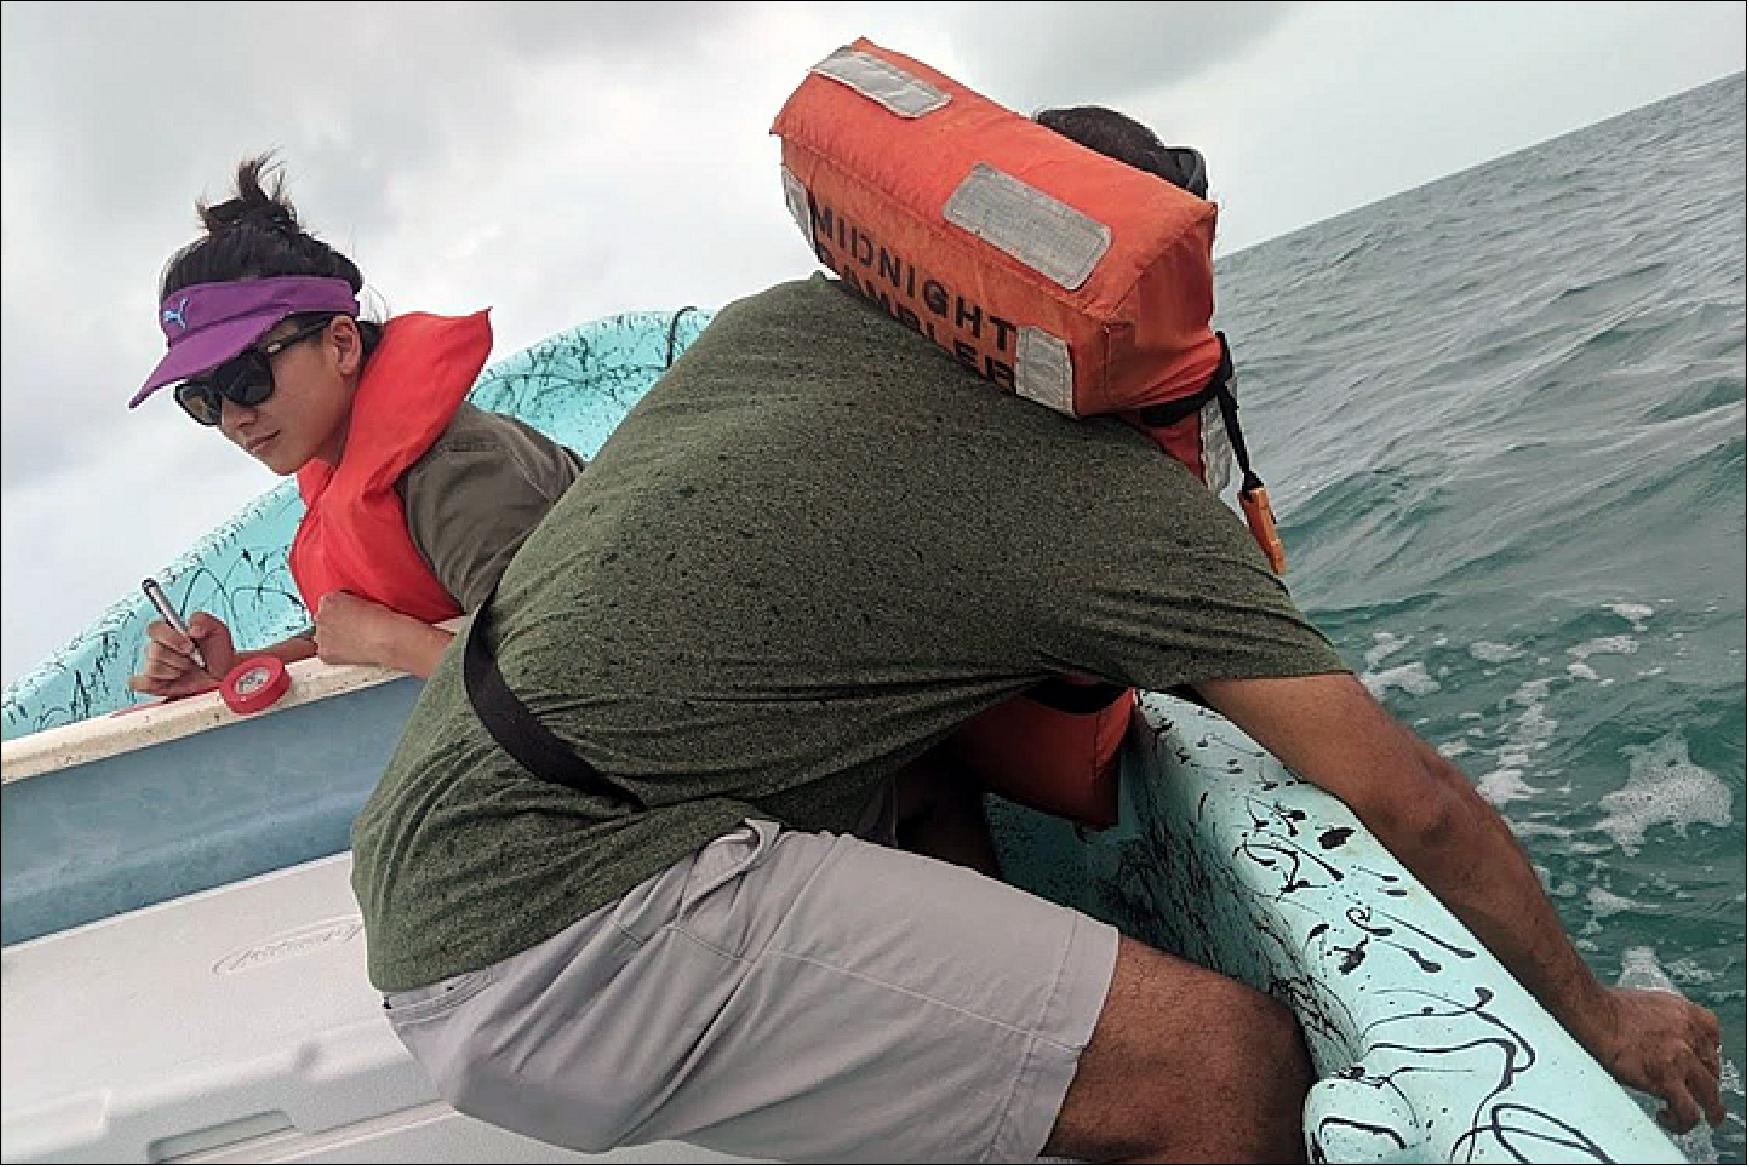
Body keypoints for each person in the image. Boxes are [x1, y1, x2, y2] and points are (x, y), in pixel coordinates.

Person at [349, 109, 1725, 1164]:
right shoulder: (1085, 494)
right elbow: (1404, 798)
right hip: (561, 923)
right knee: (1220, 1067)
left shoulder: (777, 331)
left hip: (436, 858)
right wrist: (1600, 1017)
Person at [126, 157, 584, 698]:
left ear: (341, 345)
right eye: (203, 399)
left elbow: (565, 681)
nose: (233, 418)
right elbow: (351, 630)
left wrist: (389, 642)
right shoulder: (339, 472)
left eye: (245, 377)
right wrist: (231, 670)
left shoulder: (459, 475)